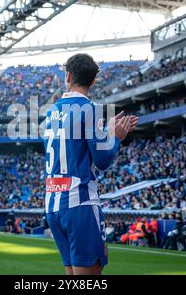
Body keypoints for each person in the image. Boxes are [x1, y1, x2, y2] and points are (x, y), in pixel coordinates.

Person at [43, 53, 138, 275]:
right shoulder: (90, 109)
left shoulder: (51, 112)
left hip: (53, 204)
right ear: (93, 81)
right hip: (80, 203)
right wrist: (114, 137)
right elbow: (102, 160)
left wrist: (105, 133)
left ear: (68, 76)